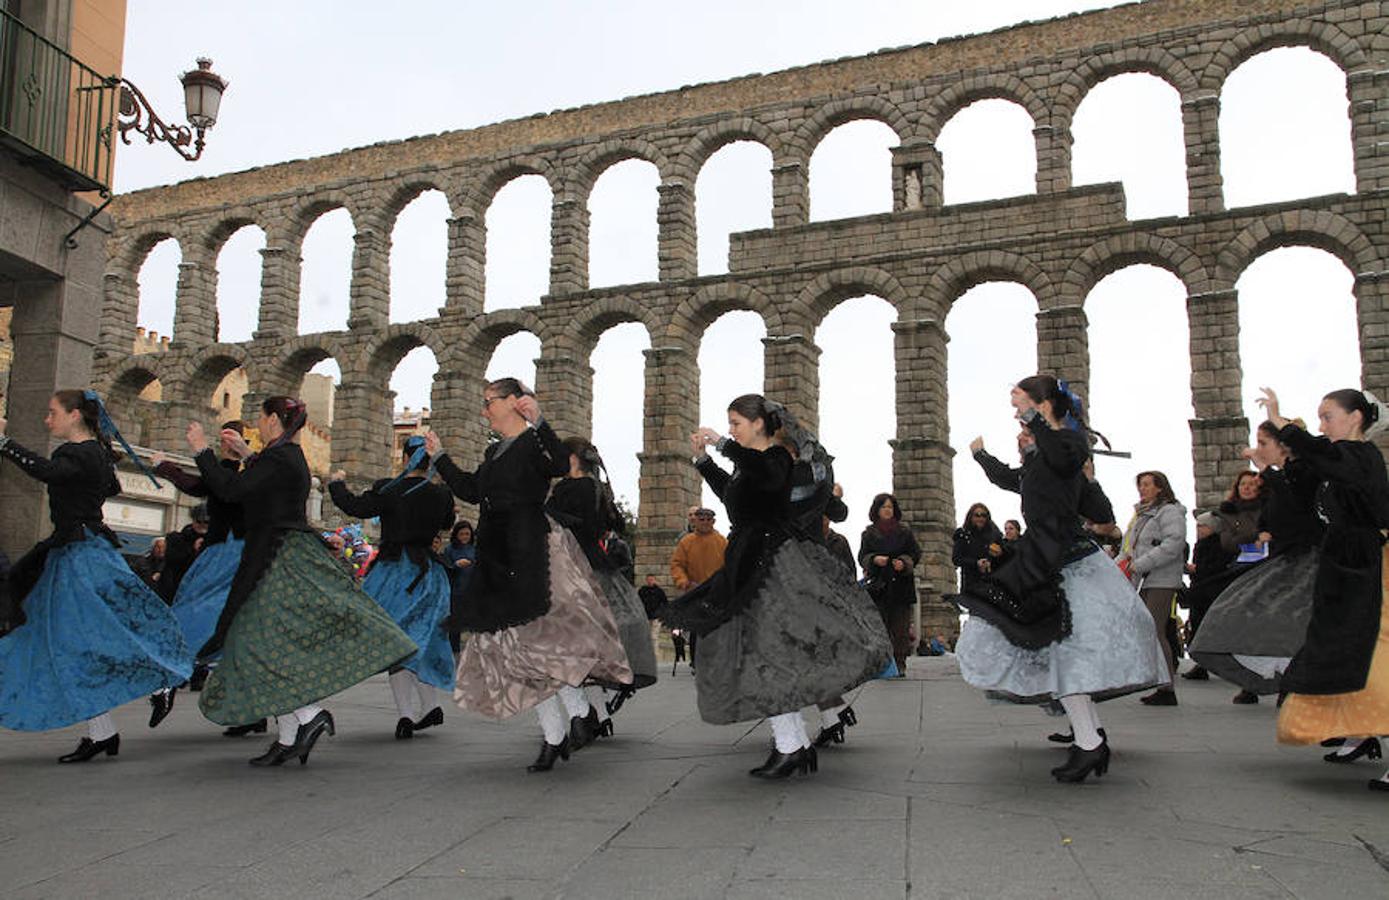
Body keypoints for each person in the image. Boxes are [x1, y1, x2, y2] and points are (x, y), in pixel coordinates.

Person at [662, 394, 888, 780]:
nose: (730, 429)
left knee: (768, 653)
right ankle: (793, 743)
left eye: (736, 423)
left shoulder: (778, 458)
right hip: (748, 557)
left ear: (758, 424)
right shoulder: (746, 467)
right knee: (764, 653)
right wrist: (703, 461)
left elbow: (767, 477)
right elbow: (732, 496)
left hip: (773, 563)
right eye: (729, 424)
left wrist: (723, 445)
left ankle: (792, 745)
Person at [183, 396, 417, 767]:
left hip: (275, 559)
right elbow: (263, 482)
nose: (258, 425)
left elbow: (233, 492)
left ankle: (308, 717)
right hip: (281, 554)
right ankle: (291, 735)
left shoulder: (280, 458)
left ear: (274, 419)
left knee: (254, 640)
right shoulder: (286, 457)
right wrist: (246, 452)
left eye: (261, 418)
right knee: (269, 642)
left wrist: (201, 451)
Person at [956, 376, 1167, 784]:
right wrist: (982, 456)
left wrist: (1084, 475)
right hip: (1044, 558)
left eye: (1021, 399)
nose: (1015, 407)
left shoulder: (1068, 444)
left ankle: (1090, 742)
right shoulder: (1046, 457)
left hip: (1067, 562)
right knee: (1060, 654)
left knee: (1065, 653)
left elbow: (1098, 509)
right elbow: (1010, 478)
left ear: (1044, 404)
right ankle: (1089, 738)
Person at [426, 378, 630, 772]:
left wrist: (540, 422)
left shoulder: (534, 444)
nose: (484, 409)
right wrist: (441, 459)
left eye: (489, 401)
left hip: (531, 549)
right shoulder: (494, 451)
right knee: (519, 647)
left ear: (513, 402)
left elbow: (557, 464)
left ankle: (570, 722)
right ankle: (561, 730)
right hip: (498, 553)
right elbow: (472, 490)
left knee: (536, 640)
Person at [0, 390, 192, 762]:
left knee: (89, 634)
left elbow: (50, 472)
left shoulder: (82, 453)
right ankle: (103, 732)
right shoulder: (96, 454)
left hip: (80, 554)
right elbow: (112, 487)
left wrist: (6, 443)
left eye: (52, 412)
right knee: (70, 640)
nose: (47, 419)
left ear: (74, 415)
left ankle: (163, 678)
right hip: (76, 549)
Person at [1259, 388, 1389, 792]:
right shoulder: (1343, 461)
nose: (1321, 425)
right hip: (1346, 564)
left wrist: (1285, 426)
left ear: (1355, 418)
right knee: (1351, 653)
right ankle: (1359, 731)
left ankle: (1366, 732)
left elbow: (1327, 459)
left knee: (1378, 653)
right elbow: (1306, 493)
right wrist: (1273, 466)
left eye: (1328, 415)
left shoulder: (1362, 456)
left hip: (1371, 566)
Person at [328, 434, 457, 740]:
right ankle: (430, 705)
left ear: (404, 458)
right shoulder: (441, 493)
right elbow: (449, 522)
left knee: (394, 641)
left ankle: (406, 715)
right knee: (422, 639)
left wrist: (336, 483)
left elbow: (355, 506)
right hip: (430, 575)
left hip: (394, 572)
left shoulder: (391, 490)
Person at [1190, 419, 1322, 702]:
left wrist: (1265, 469)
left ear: (1282, 446)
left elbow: (1301, 510)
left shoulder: (1300, 475)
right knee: (1247, 615)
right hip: (1283, 562)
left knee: (1290, 625)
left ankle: (1296, 686)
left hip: (1306, 564)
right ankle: (1282, 682)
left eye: (1263, 443)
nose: (1256, 448)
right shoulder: (1279, 482)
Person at [546, 436, 657, 734]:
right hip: (597, 567)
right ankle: (600, 717)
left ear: (571, 458)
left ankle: (586, 715)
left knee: (571, 644)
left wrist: (544, 512)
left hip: (574, 566)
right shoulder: (597, 486)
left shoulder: (571, 487)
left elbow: (568, 524)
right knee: (589, 647)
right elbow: (609, 524)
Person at [149, 422, 253, 729]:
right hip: (225, 551)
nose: (227, 444)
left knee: (201, 613)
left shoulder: (244, 472)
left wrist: (167, 464)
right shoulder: (229, 469)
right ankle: (250, 712)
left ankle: (170, 679)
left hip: (232, 554)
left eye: (232, 439)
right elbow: (199, 485)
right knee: (227, 625)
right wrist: (165, 466)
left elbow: (206, 486)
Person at [1116, 471, 1188, 707]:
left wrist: (1141, 563)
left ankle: (1166, 686)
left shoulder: (1169, 512)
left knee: (1155, 629)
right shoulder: (1144, 514)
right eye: (1140, 484)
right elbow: (1131, 546)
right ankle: (1161, 683)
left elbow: (1174, 544)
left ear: (1160, 487)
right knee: (1150, 629)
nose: (1142, 488)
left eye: (1147, 484)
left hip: (1162, 579)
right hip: (1147, 579)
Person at [859, 493, 921, 676]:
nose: (887, 510)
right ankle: (883, 664)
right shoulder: (868, 533)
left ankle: (900, 662)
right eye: (884, 507)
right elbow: (862, 556)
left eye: (890, 507)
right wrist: (873, 559)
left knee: (900, 629)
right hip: (879, 586)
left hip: (901, 586)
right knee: (880, 628)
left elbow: (915, 553)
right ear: (877, 510)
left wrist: (904, 562)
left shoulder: (905, 532)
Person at [670, 507, 728, 670]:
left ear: (713, 521)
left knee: (716, 626)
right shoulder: (686, 542)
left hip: (715, 591)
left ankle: (717, 659)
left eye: (708, 520)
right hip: (694, 589)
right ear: (695, 521)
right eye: (701, 519)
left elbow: (728, 565)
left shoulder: (722, 541)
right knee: (696, 628)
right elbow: (677, 565)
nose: (704, 523)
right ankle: (696, 662)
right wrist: (683, 581)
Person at [157, 505, 210, 605]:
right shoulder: (177, 539)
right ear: (193, 521)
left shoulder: (215, 542)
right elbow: (173, 560)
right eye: (199, 521)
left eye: (206, 522)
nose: (202, 525)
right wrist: (193, 550)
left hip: (203, 592)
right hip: (177, 590)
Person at [953, 502, 1006, 597]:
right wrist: (976, 563)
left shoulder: (995, 536)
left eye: (983, 515)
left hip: (992, 583)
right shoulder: (963, 534)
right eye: (977, 515)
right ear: (971, 517)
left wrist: (993, 561)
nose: (980, 518)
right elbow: (956, 559)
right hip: (971, 583)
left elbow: (1004, 558)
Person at [442, 520, 476, 654]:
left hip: (471, 590)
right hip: (455, 590)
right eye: (461, 534)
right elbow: (446, 568)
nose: (464, 537)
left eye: (467, 534)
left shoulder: (474, 549)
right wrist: (456, 565)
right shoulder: (450, 549)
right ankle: (454, 648)